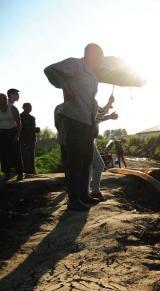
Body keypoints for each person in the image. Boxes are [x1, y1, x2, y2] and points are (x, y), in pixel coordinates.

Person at [44, 43, 105, 211]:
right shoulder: (75, 64)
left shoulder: (92, 74)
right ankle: (74, 200)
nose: (101, 58)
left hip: (87, 121)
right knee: (75, 161)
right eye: (99, 55)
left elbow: (92, 102)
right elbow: (49, 70)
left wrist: (94, 124)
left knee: (86, 161)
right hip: (74, 118)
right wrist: (66, 86)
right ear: (90, 53)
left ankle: (84, 195)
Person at [89, 98, 117, 201]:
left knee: (90, 167)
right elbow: (99, 116)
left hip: (89, 141)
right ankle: (94, 191)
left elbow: (100, 114)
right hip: (88, 142)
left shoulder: (87, 106)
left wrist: (108, 105)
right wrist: (109, 103)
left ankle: (88, 191)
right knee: (99, 165)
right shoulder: (91, 109)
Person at [0, 90, 24, 180]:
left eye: (3, 100)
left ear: (5, 100)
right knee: (3, 153)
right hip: (2, 133)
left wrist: (17, 135)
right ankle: (6, 172)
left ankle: (20, 173)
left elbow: (19, 123)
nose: (1, 102)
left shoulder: (12, 109)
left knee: (16, 153)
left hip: (12, 132)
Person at [20, 102, 39, 175]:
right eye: (28, 107)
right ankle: (26, 171)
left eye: (30, 107)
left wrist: (35, 129)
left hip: (31, 139)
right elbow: (24, 128)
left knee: (31, 155)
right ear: (23, 107)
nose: (30, 108)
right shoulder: (20, 117)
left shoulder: (32, 117)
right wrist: (34, 129)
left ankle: (32, 171)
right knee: (25, 155)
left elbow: (31, 129)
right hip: (24, 139)